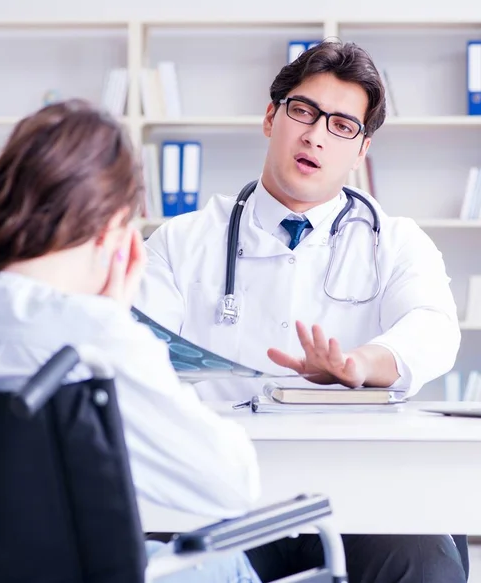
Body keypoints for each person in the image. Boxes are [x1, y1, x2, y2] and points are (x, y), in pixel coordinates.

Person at [0, 99, 263, 583]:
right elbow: (231, 488)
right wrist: (116, 322)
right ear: (113, 230)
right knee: (227, 561)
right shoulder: (95, 338)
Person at [134, 40, 466, 583]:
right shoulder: (182, 241)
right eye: (304, 112)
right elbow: (138, 346)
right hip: (224, 500)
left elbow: (434, 329)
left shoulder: (398, 243)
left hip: (363, 496)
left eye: (342, 125)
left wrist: (364, 363)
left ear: (361, 150)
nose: (315, 134)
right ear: (271, 117)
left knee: (424, 563)